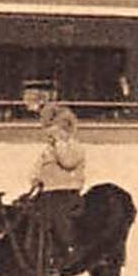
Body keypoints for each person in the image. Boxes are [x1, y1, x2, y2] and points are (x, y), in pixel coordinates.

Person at [28, 103, 85, 259]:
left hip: (65, 191)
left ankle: (67, 249)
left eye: (57, 130)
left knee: (56, 217)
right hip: (47, 191)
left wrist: (59, 142)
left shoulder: (73, 146)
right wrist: (35, 177)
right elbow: (39, 166)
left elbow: (68, 162)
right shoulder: (50, 149)